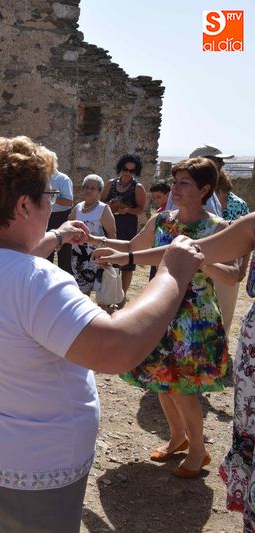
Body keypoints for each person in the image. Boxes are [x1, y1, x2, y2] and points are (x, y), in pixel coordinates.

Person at [0, 135, 205, 533]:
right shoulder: (38, 282)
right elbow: (118, 348)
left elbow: (10, 259)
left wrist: (58, 236)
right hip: (29, 468)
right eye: (49, 194)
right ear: (24, 205)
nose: (53, 204)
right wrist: (172, 272)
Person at [89, 157, 234, 477]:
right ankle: (178, 438)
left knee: (182, 387)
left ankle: (199, 450)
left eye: (184, 183)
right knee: (160, 381)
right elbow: (131, 246)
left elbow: (233, 275)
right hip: (161, 313)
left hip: (194, 320)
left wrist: (199, 259)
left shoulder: (217, 228)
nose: (175, 188)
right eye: (175, 181)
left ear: (204, 189)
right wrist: (96, 241)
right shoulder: (163, 220)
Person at [100, 153, 147, 299]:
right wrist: (111, 205)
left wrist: (127, 210)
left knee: (127, 263)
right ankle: (109, 294)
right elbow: (101, 204)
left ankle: (122, 295)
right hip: (110, 225)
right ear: (121, 169)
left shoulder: (137, 187)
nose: (127, 173)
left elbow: (141, 209)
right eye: (125, 169)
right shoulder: (110, 184)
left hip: (127, 226)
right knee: (109, 260)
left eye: (131, 171)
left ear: (135, 172)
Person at [68, 174, 116, 298]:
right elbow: (68, 226)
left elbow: (112, 233)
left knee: (101, 292)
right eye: (86, 187)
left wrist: (110, 254)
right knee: (81, 290)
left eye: (93, 188)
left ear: (99, 191)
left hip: (97, 255)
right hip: (78, 255)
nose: (88, 190)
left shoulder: (103, 208)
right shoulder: (78, 208)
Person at [215, 169, 250, 334]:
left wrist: (243, 267)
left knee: (225, 310)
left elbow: (248, 240)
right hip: (209, 261)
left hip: (230, 263)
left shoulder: (238, 205)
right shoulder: (201, 203)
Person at [47, 162, 74, 273]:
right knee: (46, 251)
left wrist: (50, 196)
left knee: (64, 254)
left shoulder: (63, 179)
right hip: (46, 216)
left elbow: (69, 202)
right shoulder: (40, 179)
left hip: (61, 217)